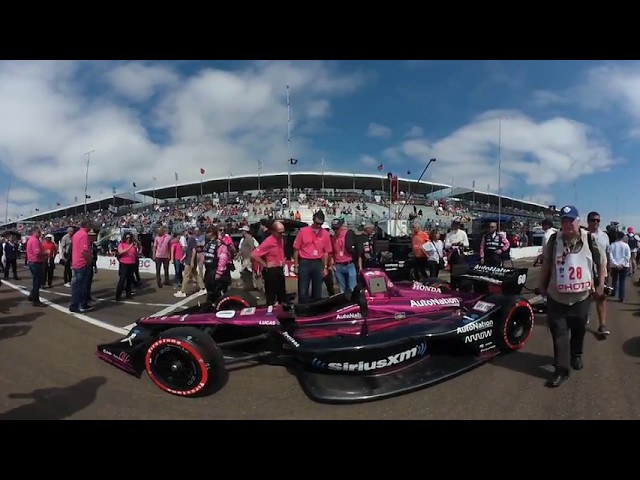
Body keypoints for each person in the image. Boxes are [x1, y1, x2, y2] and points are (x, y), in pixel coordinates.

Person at [537, 205, 606, 388]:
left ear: (578, 222)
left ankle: (576, 355)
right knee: (559, 332)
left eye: (571, 220)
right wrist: (541, 285)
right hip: (557, 297)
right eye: (564, 220)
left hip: (581, 297)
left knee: (578, 330)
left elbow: (601, 263)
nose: (567, 224)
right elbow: (546, 264)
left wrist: (600, 285)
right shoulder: (554, 239)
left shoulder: (589, 239)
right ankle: (561, 370)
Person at [292, 210, 332, 303]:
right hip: (304, 262)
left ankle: (316, 311)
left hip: (318, 262)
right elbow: (296, 249)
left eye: (320, 224)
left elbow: (326, 252)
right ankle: (303, 309)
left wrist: (325, 267)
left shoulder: (325, 234)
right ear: (313, 220)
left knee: (317, 290)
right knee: (303, 290)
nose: (318, 226)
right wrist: (296, 265)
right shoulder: (303, 231)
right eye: (317, 223)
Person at [251, 221, 287, 306]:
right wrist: (265, 264)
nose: (282, 234)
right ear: (273, 231)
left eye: (283, 232)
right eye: (280, 232)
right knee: (271, 296)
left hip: (280, 269)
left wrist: (283, 259)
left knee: (282, 295)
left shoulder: (281, 239)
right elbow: (254, 254)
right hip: (271, 271)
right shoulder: (268, 241)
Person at [202, 226, 233, 304]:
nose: (206, 234)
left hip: (216, 271)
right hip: (209, 271)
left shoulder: (220, 244)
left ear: (212, 233)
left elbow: (223, 259)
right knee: (210, 292)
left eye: (208, 232)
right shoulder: (208, 243)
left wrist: (219, 272)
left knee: (218, 294)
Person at [609, 231, 631, 303]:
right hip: (624, 266)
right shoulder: (626, 245)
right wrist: (622, 264)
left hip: (614, 266)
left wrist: (616, 264)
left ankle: (613, 292)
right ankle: (621, 296)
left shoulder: (612, 245)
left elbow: (610, 256)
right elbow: (627, 256)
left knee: (614, 280)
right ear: (622, 237)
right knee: (622, 282)